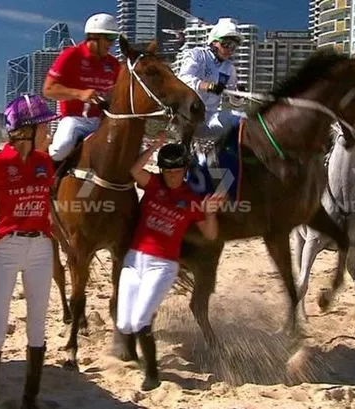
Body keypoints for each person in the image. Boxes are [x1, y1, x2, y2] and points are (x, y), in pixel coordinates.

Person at [0, 94, 59, 409]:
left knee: (37, 325)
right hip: (6, 247)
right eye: (45, 127)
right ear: (27, 130)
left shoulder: (46, 162)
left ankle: (29, 400)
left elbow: (50, 205)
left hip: (42, 247)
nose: (49, 132)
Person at [116, 133, 225, 391]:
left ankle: (152, 375)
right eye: (168, 171)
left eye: (177, 171)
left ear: (185, 171)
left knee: (142, 319)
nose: (173, 176)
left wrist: (210, 214)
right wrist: (153, 146)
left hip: (163, 265)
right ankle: (136, 356)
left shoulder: (190, 200)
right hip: (134, 260)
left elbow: (210, 235)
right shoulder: (154, 184)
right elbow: (134, 170)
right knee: (124, 324)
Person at [43, 12, 121, 164]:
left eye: (114, 38)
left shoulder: (114, 64)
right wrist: (79, 94)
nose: (112, 43)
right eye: (109, 38)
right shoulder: (71, 55)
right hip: (75, 120)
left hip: (103, 121)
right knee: (61, 150)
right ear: (93, 36)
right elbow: (48, 90)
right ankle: (48, 182)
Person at [178, 17, 246, 144]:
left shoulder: (229, 68)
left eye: (234, 47)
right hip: (187, 117)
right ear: (214, 42)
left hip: (209, 119)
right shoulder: (197, 55)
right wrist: (207, 86)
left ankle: (219, 156)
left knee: (243, 120)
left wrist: (238, 95)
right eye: (227, 45)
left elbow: (234, 101)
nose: (230, 50)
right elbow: (183, 79)